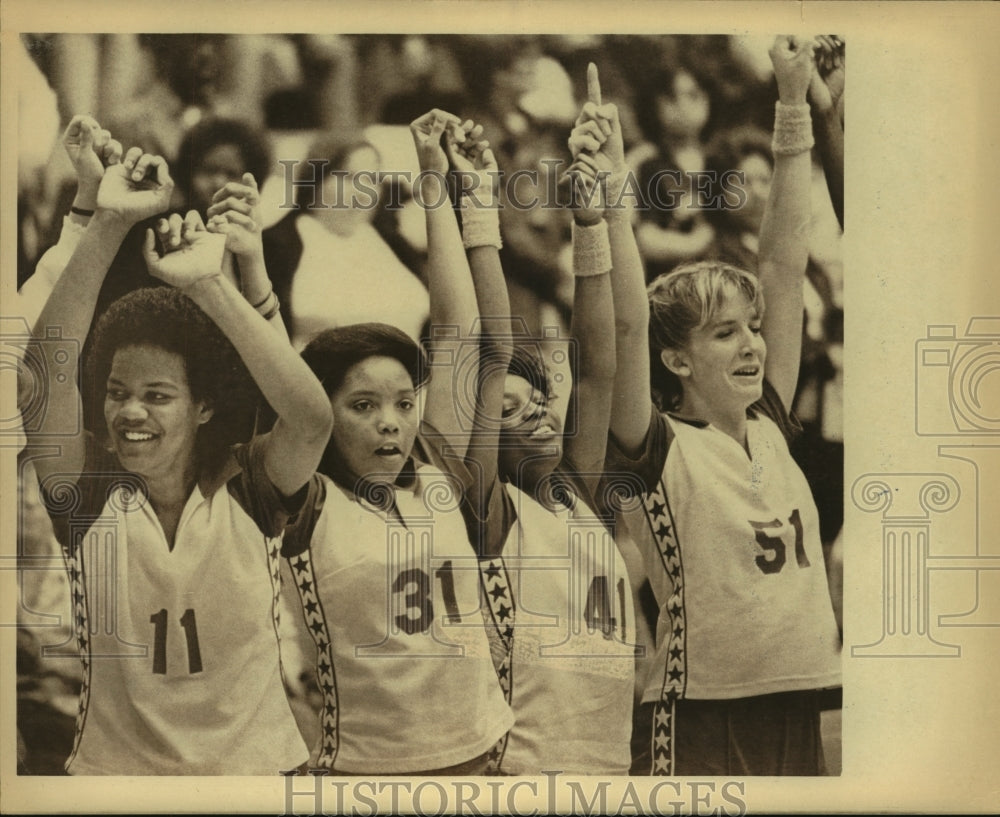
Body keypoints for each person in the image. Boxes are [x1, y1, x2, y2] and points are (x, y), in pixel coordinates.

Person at [20, 146, 333, 775]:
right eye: (117, 393)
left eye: (158, 396)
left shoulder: (251, 486)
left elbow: (311, 418)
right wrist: (109, 221)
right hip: (116, 779)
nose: (131, 411)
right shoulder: (89, 493)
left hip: (255, 773)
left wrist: (208, 285)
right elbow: (46, 373)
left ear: (203, 408)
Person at [604, 36, 842, 776]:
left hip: (797, 696)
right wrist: (609, 194)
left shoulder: (767, 421)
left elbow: (783, 261)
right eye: (723, 333)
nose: (752, 345)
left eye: (753, 328)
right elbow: (625, 323)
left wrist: (793, 102)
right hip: (702, 710)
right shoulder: (657, 442)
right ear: (676, 359)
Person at [278, 110, 513, 774]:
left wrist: (437, 178)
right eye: (364, 407)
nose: (391, 422)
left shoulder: (433, 464)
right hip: (368, 769)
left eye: (404, 404)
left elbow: (463, 335)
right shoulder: (301, 495)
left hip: (478, 757)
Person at [450, 66, 638, 775]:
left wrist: (590, 224)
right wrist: (478, 208)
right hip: (523, 770)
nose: (534, 411)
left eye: (537, 400)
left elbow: (596, 368)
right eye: (507, 409)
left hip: (609, 764)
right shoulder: (485, 510)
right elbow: (493, 350)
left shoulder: (576, 491)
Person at [262, 135, 430, 349]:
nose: (364, 193)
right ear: (316, 179)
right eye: (349, 177)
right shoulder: (276, 245)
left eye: (372, 180)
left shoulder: (393, 243)